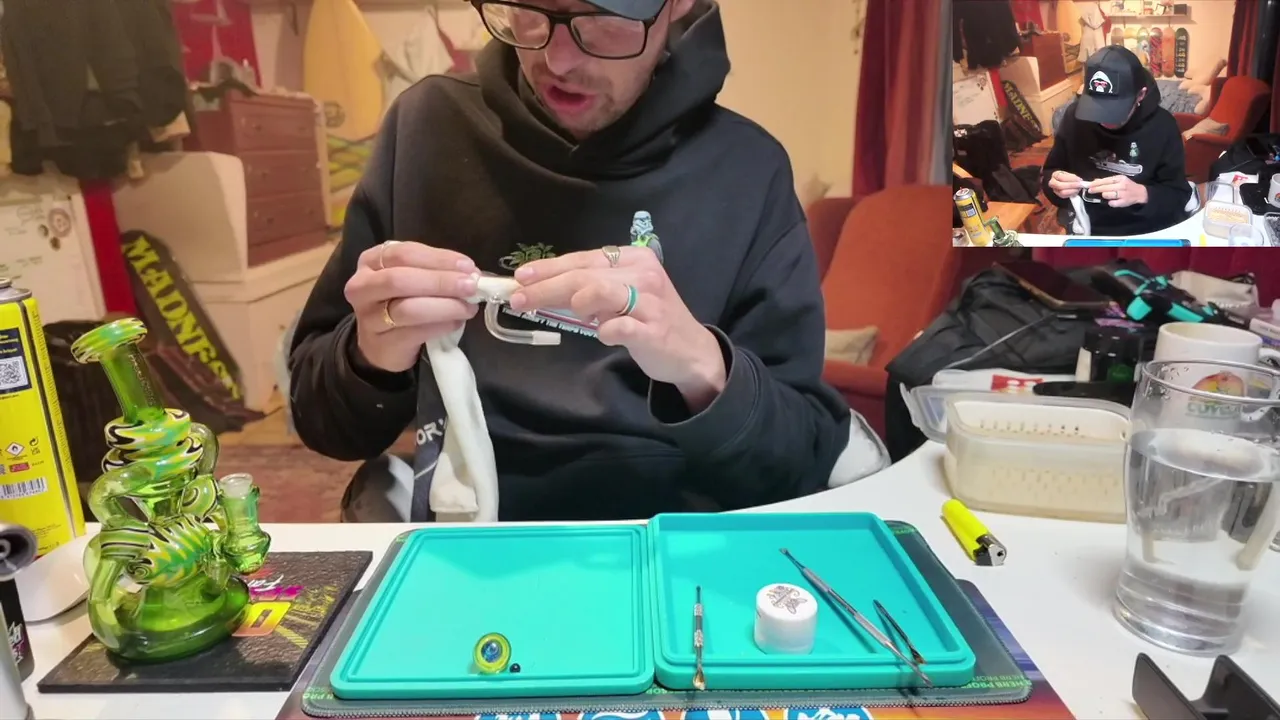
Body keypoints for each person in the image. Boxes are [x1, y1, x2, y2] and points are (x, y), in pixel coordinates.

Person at [287, 0, 860, 522]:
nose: (558, 60)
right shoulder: (426, 128)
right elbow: (325, 425)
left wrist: (703, 368)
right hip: (468, 532)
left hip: (675, 540)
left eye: (602, 17)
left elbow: (800, 461)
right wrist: (372, 357)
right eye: (529, 8)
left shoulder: (748, 171)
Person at [1041, 46, 1191, 236]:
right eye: (1096, 109)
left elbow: (1179, 195)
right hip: (1088, 228)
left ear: (1140, 95)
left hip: (1146, 230)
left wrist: (1143, 194)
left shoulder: (1164, 126)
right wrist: (1056, 186)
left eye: (1115, 111)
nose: (1105, 120)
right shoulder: (1074, 117)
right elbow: (1050, 174)